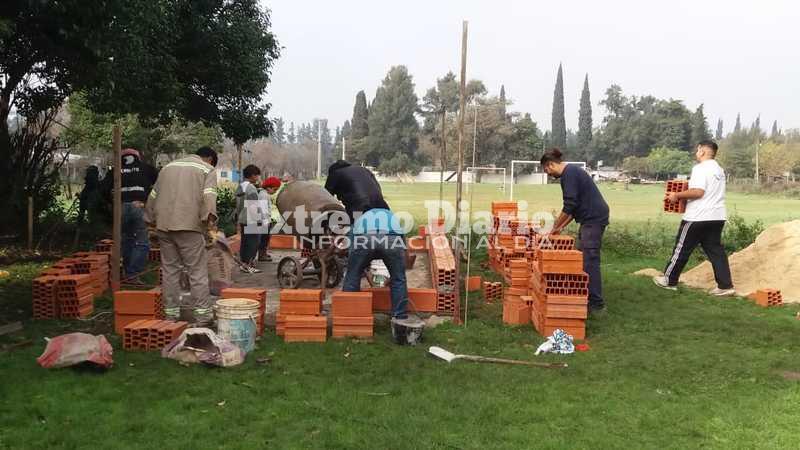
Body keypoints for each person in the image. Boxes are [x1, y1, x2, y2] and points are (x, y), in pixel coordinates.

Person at [325, 160, 410, 331]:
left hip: (363, 232)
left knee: (353, 273)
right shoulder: (387, 211)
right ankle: (399, 318)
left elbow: (325, 196)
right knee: (399, 278)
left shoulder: (336, 174)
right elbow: (403, 243)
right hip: (391, 236)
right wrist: (398, 268)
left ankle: (349, 315)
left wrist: (344, 250)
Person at [145, 147, 219, 324]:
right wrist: (210, 226)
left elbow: (153, 195)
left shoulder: (168, 168)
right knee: (197, 272)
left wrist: (150, 221)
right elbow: (209, 198)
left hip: (164, 226)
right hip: (189, 227)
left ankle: (170, 315)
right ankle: (203, 316)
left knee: (170, 271)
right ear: (210, 159)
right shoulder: (207, 169)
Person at [653, 140, 735, 296]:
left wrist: (677, 195)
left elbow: (698, 192)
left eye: (698, 150)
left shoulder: (700, 168)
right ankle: (725, 286)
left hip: (697, 217)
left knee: (681, 249)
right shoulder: (719, 170)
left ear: (702, 151)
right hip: (717, 217)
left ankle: (669, 281)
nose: (696, 153)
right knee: (716, 251)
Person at [540, 148, 610, 314]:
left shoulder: (569, 174)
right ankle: (581, 296)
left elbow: (569, 205)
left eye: (546, 169)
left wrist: (554, 227)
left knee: (589, 260)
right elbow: (574, 208)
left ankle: (596, 304)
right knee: (580, 258)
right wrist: (560, 228)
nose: (548, 173)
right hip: (589, 218)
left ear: (551, 164)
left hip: (593, 219)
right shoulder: (571, 172)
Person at [117, 148, 158, 284]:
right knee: (142, 241)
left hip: (121, 208)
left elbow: (104, 188)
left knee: (126, 240)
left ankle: (126, 272)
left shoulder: (116, 170)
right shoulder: (146, 168)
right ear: (137, 157)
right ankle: (133, 274)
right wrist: (150, 201)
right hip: (139, 206)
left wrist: (114, 204)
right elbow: (160, 184)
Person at [234, 165, 264, 273]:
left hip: (243, 218)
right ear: (252, 175)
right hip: (252, 219)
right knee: (253, 243)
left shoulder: (241, 186)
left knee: (245, 242)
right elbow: (253, 205)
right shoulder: (251, 188)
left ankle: (244, 264)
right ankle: (249, 265)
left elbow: (238, 205)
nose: (258, 178)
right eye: (257, 175)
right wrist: (259, 220)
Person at [257, 176, 282, 262]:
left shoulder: (264, 194)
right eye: (274, 189)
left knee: (265, 238)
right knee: (264, 239)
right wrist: (266, 222)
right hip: (263, 221)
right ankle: (262, 255)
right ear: (268, 187)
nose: (275, 192)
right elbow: (263, 210)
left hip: (264, 220)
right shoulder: (263, 195)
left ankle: (263, 253)